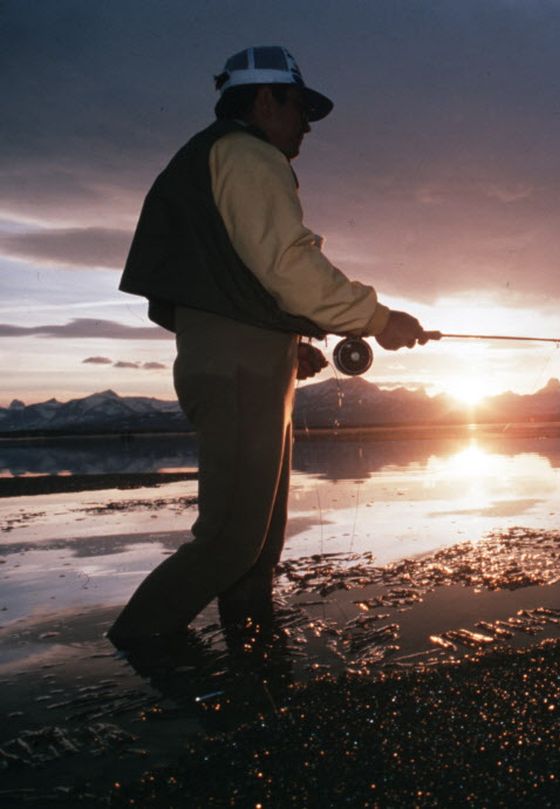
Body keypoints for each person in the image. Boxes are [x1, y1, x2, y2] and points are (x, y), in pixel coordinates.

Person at [110, 45, 428, 645]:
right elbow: (287, 264)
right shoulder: (247, 153)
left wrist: (289, 342)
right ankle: (136, 653)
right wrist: (378, 318)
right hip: (239, 370)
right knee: (230, 540)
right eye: (299, 106)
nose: (307, 123)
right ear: (264, 99)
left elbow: (234, 279)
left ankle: (256, 668)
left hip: (245, 359)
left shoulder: (219, 158)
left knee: (256, 547)